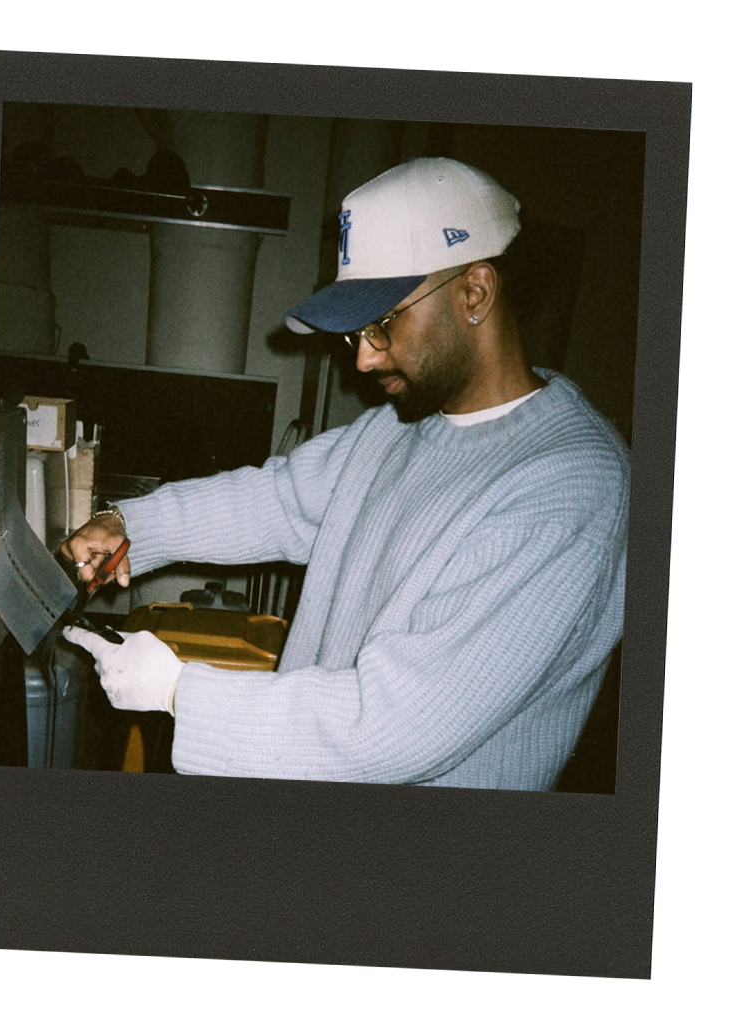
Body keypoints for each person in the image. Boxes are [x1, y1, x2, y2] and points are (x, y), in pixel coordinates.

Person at [61, 157, 630, 791]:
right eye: (354, 333)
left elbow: (394, 727)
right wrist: (130, 523)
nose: (361, 359)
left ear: (475, 293)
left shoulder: (570, 489)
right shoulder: (401, 427)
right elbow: (277, 501)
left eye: (383, 324)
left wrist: (179, 692)